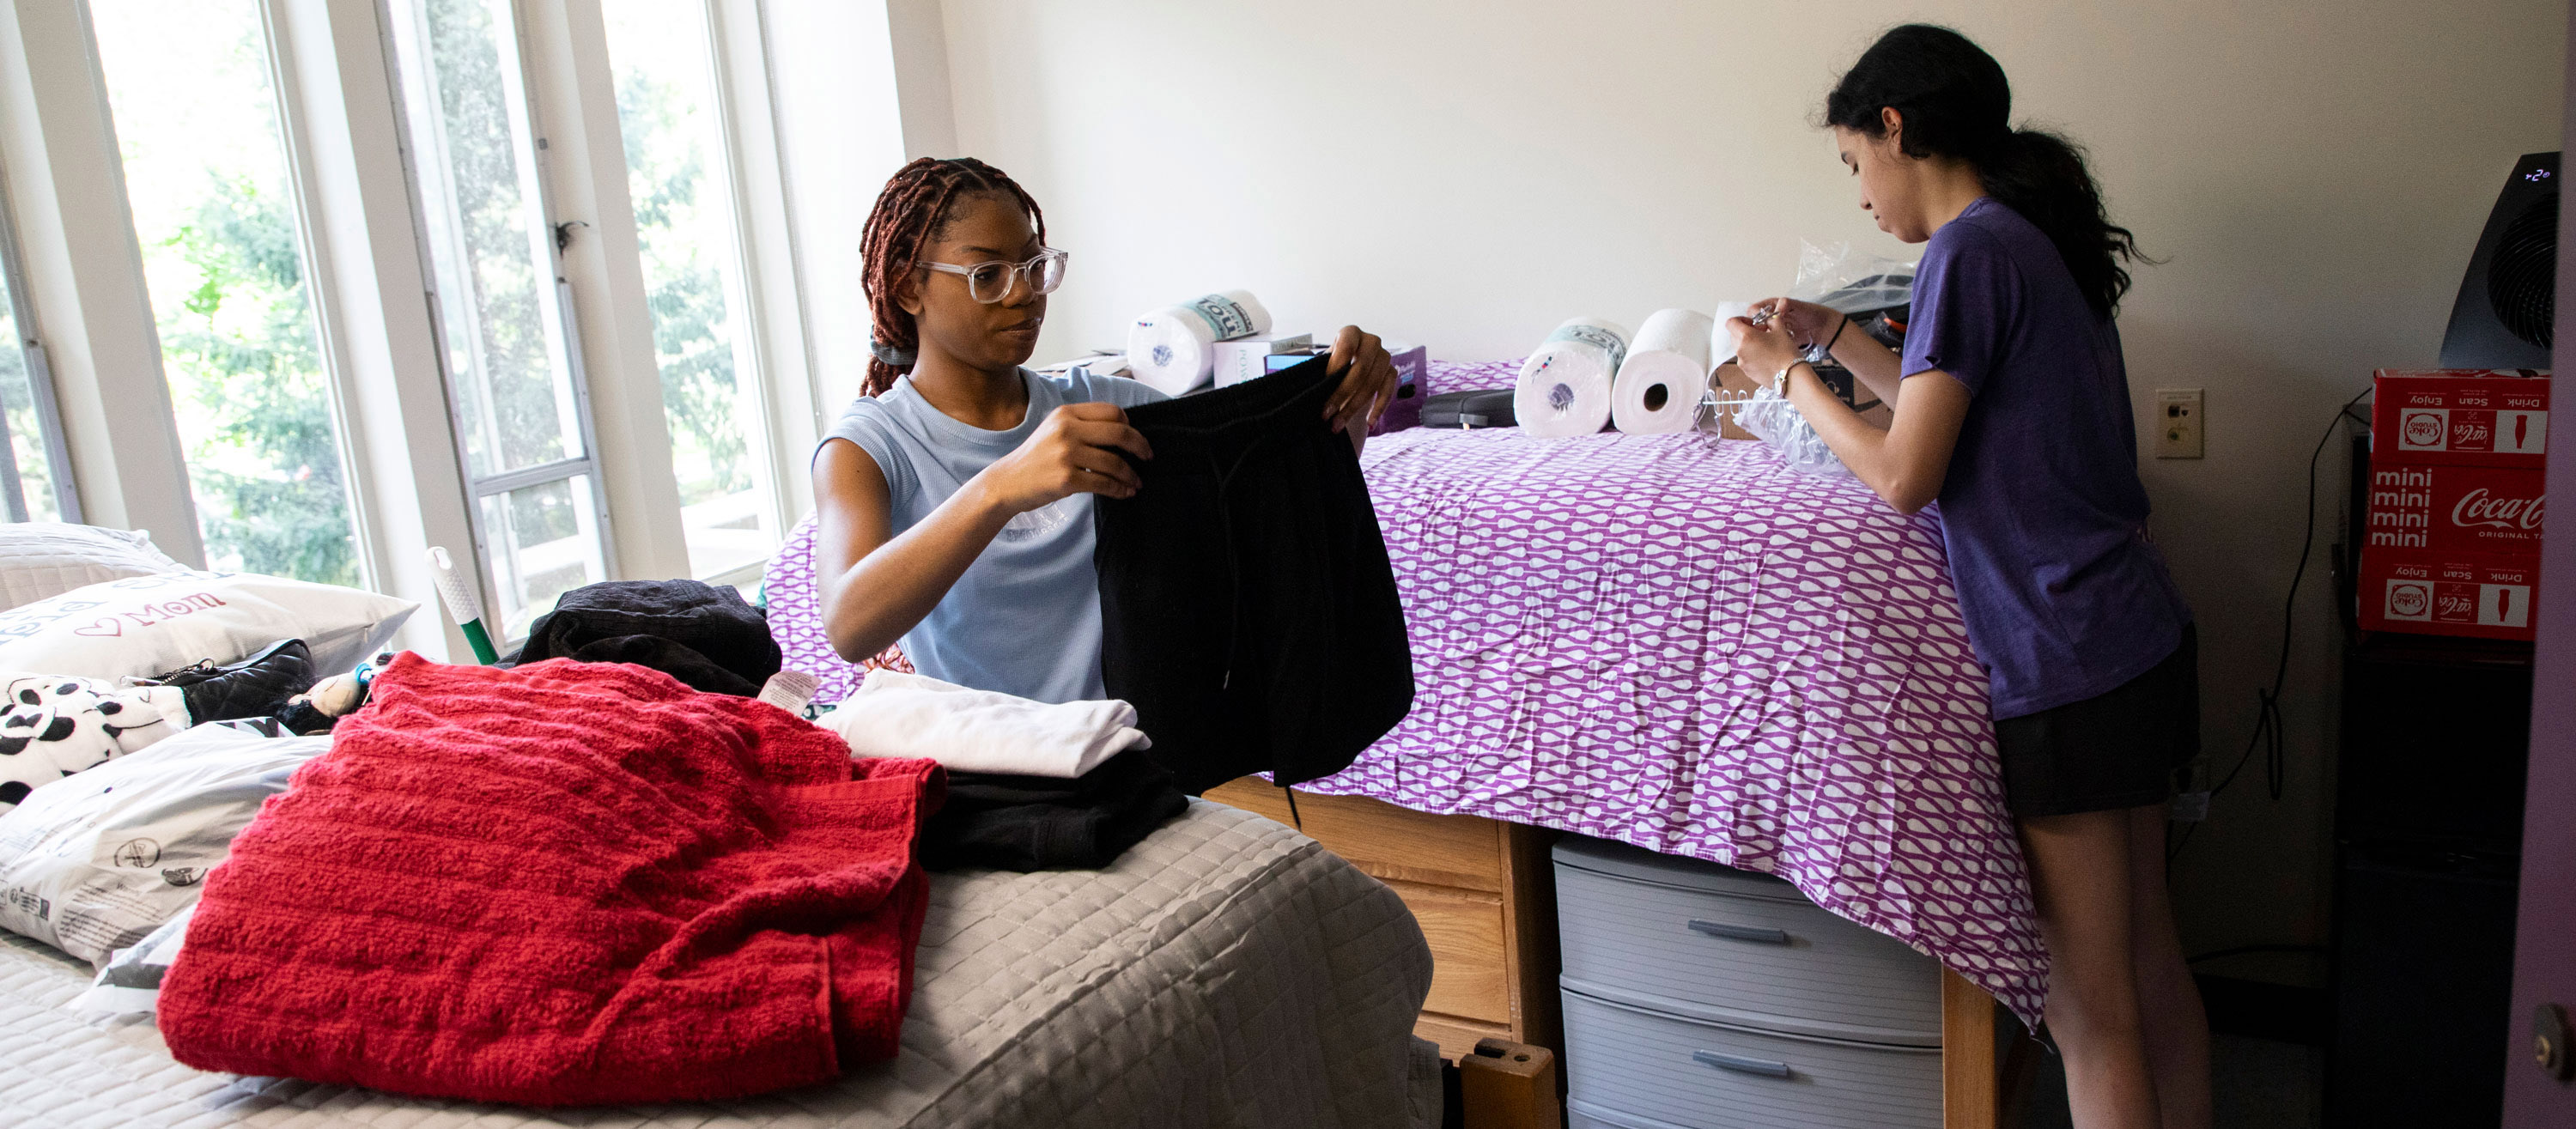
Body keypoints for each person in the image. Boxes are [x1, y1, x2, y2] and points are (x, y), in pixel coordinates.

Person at [1726, 25, 2208, 1129]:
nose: (1858, 198)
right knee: (2152, 965)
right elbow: (1951, 401)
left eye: (1854, 164)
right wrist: (1841, 336)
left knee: (2091, 1011)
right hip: (2136, 634)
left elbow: (1905, 474)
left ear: (1895, 128)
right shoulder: (2025, 236)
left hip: (2069, 660)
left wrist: (1785, 375)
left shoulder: (1965, 252)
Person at [811, 156, 1399, 706]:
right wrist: (1002, 487)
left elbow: (1271, 498)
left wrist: (1345, 402)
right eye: (987, 274)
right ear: (909, 284)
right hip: (990, 777)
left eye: (1034, 266)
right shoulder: (868, 447)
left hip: (1130, 761)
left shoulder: (1103, 405)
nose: (1023, 294)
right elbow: (849, 626)